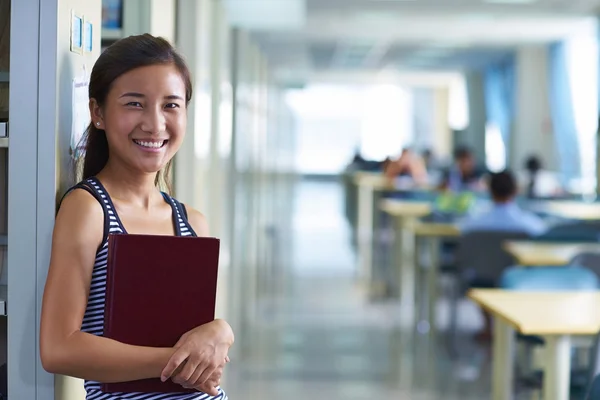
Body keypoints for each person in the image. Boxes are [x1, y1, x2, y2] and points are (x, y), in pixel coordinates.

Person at [39, 34, 233, 400]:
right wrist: (176, 363)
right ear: (98, 113)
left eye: (171, 105)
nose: (155, 124)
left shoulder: (192, 222)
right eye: (135, 104)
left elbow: (200, 337)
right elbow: (58, 348)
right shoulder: (88, 209)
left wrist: (222, 332)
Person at [460, 170, 547, 236]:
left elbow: (463, 230)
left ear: (490, 191)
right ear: (515, 191)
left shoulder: (473, 224)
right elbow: (542, 232)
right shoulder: (530, 225)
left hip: (482, 260)